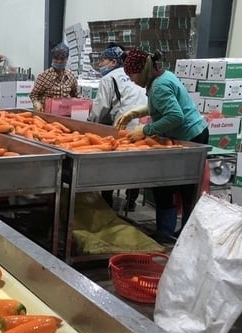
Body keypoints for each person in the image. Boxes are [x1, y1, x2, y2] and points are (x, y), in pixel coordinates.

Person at [115, 49, 208, 244]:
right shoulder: (162, 76)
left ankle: (175, 234)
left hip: (190, 138)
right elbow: (161, 106)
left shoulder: (159, 86)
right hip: (192, 134)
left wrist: (146, 130)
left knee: (171, 186)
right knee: (172, 186)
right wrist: (135, 113)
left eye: (132, 76)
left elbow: (175, 116)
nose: (131, 80)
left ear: (143, 71)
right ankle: (176, 232)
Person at [88, 43, 147, 211]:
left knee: (113, 165)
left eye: (102, 60)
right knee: (136, 165)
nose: (100, 64)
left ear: (113, 62)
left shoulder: (109, 78)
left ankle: (107, 202)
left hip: (124, 123)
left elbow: (100, 108)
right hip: (145, 122)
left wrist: (89, 124)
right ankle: (131, 202)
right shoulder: (134, 74)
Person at [29, 42, 78, 112]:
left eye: (62, 59)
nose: (59, 61)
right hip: (47, 114)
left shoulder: (71, 76)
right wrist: (37, 103)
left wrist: (84, 102)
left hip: (65, 115)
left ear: (67, 59)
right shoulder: (44, 76)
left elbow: (76, 95)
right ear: (52, 58)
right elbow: (34, 95)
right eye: (56, 58)